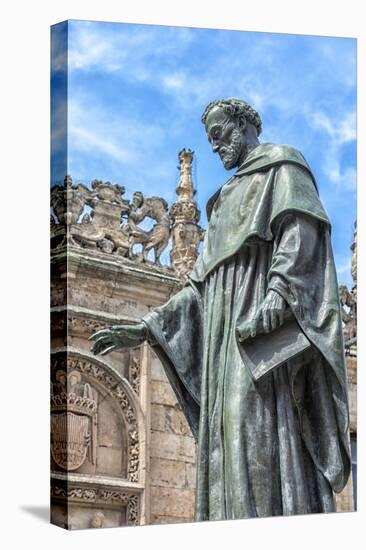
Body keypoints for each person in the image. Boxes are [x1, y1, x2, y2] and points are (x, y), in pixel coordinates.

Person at [90, 98, 350, 520]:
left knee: (255, 434)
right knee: (223, 449)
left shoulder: (283, 168)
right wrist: (146, 327)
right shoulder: (225, 198)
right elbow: (198, 287)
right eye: (209, 140)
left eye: (220, 134)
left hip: (258, 341)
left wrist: (279, 294)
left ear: (246, 125)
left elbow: (299, 234)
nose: (215, 147)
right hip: (221, 346)